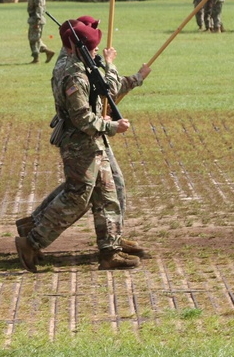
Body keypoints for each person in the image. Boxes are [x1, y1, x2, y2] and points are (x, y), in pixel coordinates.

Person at [17, 15, 151, 261]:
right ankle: (32, 241)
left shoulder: (80, 65)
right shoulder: (74, 75)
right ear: (76, 47)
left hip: (91, 141)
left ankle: (110, 250)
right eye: (91, 44)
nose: (96, 48)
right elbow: (83, 119)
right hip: (80, 144)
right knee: (76, 198)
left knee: (108, 193)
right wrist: (111, 126)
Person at [25, 0, 55, 64]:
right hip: (34, 18)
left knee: (33, 39)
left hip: (36, 18)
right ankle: (47, 52)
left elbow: (39, 7)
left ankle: (36, 58)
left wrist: (37, 21)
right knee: (36, 38)